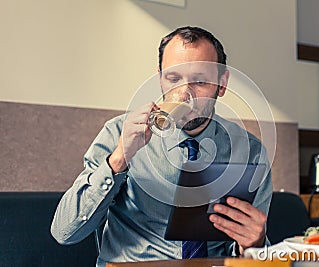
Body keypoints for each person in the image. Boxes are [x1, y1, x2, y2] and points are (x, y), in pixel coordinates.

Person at [51, 26, 272, 266]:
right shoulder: (118, 133)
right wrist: (118, 159)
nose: (184, 93)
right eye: (173, 78)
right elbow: (65, 233)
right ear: (160, 78)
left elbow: (250, 255)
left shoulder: (250, 151)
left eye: (199, 81)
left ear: (222, 83)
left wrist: (255, 245)